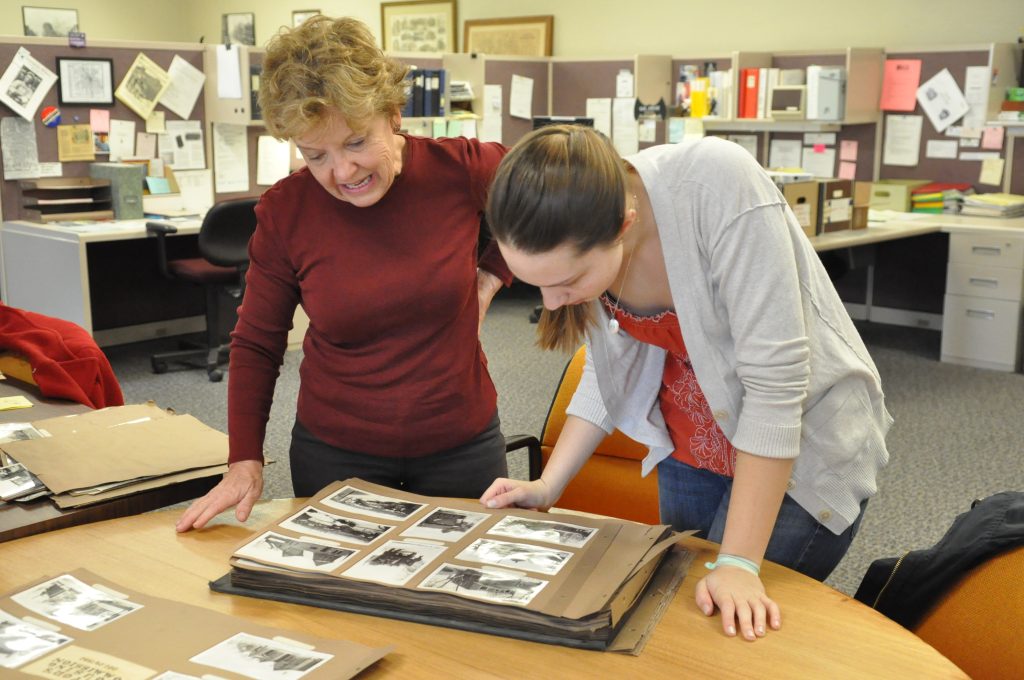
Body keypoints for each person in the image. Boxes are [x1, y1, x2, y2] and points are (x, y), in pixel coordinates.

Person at [480, 125, 892, 642]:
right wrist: (548, 485)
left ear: (625, 225)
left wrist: (740, 562)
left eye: (566, 283)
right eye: (538, 284)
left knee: (727, 630)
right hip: (691, 443)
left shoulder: (716, 186)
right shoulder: (584, 208)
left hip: (800, 451)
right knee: (671, 621)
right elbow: (612, 370)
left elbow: (776, 390)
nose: (555, 301)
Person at [176, 16, 512, 532]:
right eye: (316, 155)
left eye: (356, 143)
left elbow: (552, 193)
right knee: (339, 610)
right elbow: (257, 343)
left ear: (393, 115)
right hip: (337, 452)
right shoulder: (286, 212)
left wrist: (492, 274)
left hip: (461, 444)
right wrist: (244, 459)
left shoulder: (459, 170)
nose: (342, 172)